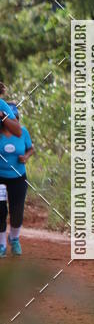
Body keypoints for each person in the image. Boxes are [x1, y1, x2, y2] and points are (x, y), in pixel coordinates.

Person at [0, 103, 34, 257]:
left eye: (16, 118)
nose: (15, 121)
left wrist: (25, 157)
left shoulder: (23, 132)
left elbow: (31, 148)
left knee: (17, 211)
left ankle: (14, 238)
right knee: (0, 210)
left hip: (18, 177)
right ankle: (1, 245)